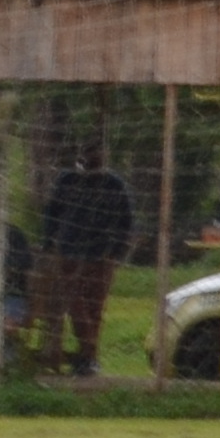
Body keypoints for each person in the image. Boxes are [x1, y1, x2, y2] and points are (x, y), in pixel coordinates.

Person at [33, 139, 132, 376]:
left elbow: (126, 222)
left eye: (98, 153)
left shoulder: (114, 184)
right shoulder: (67, 181)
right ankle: (88, 353)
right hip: (70, 254)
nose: (93, 158)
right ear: (81, 157)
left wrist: (116, 252)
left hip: (101, 256)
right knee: (74, 304)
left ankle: (88, 359)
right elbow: (52, 213)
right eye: (89, 153)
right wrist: (49, 243)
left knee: (95, 308)